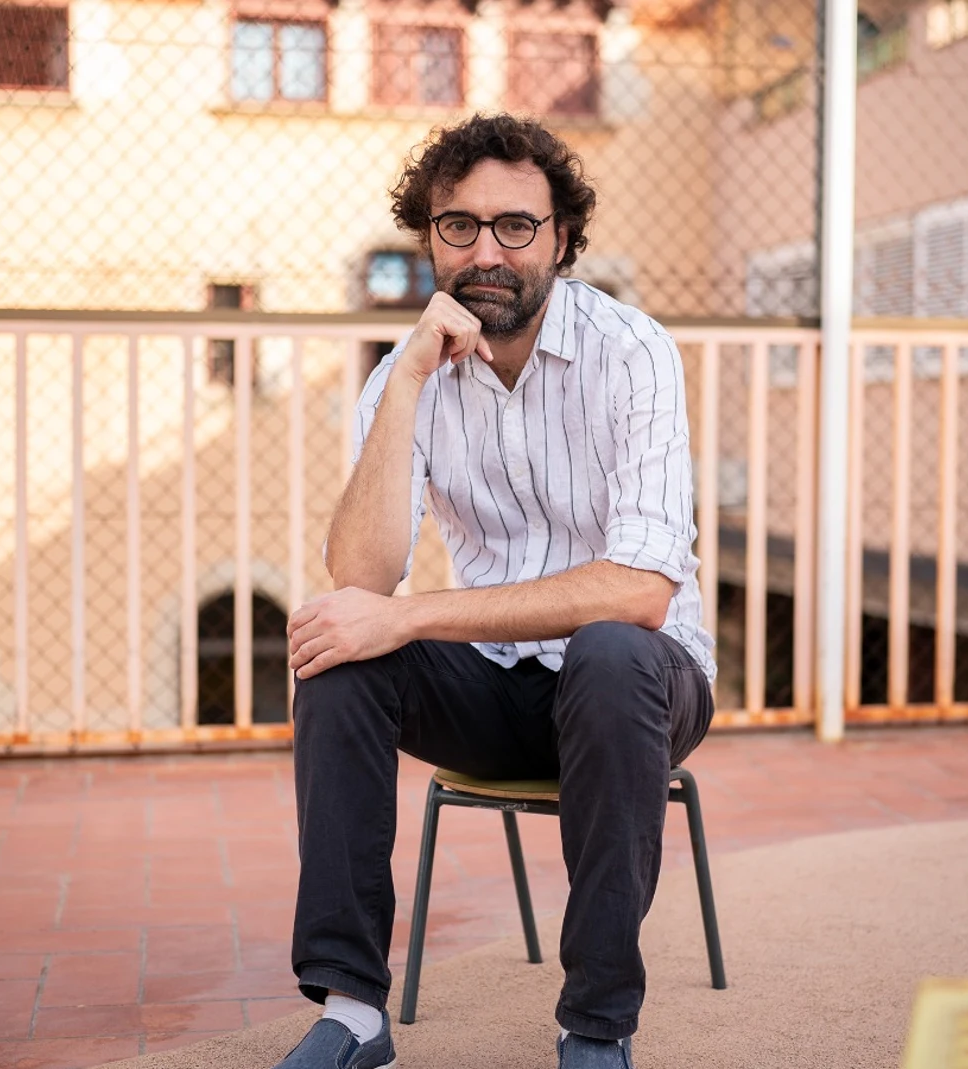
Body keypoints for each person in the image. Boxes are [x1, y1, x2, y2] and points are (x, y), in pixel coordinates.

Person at [277, 113, 717, 1069]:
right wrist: (402, 386)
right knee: (336, 647)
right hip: (496, 685)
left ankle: (595, 1024)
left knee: (607, 649)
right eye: (459, 226)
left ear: (561, 236)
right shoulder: (411, 370)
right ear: (428, 236)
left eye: (516, 225)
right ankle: (351, 1010)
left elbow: (640, 590)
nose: (488, 251)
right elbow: (361, 577)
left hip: (637, 688)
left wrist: (412, 615)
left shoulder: (632, 351)